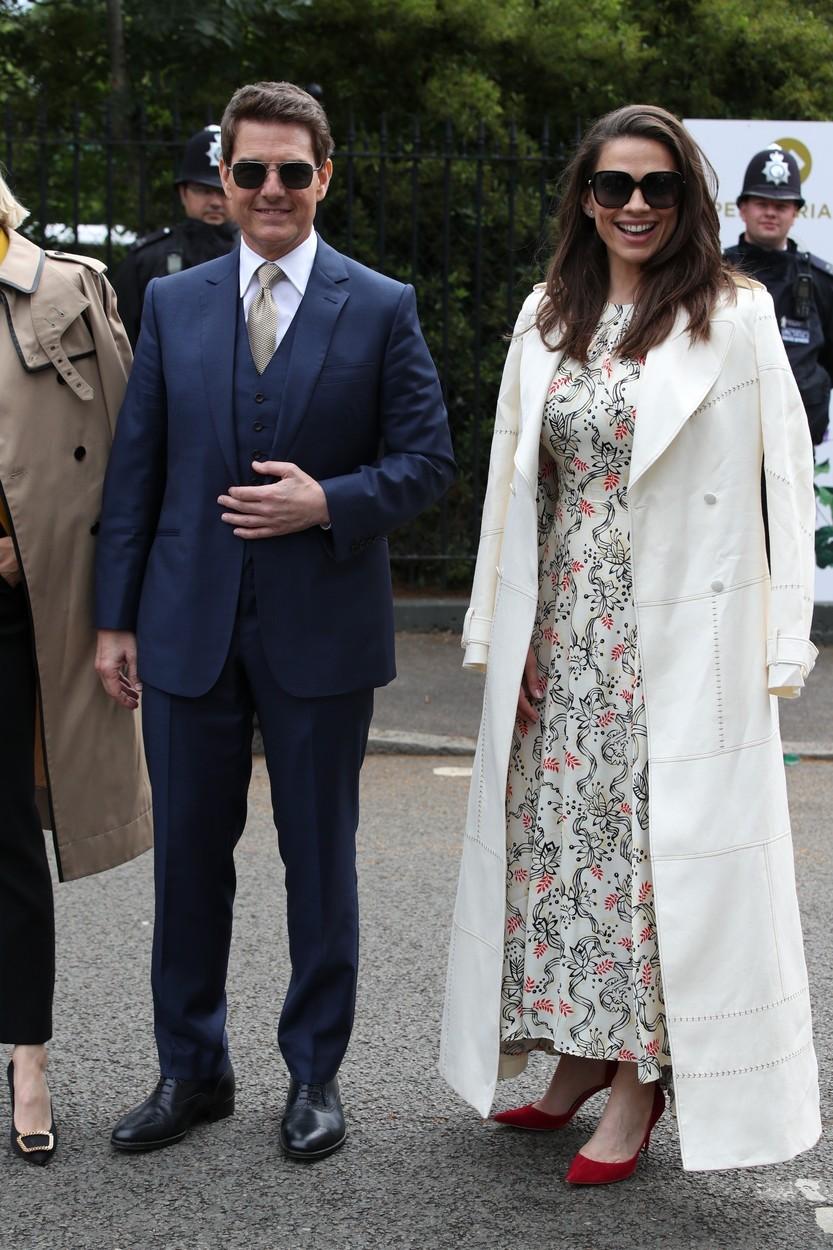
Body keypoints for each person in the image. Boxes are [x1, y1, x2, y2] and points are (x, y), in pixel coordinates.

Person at [440, 104, 820, 1182]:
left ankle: (637, 1085)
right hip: (562, 630)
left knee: (653, 869)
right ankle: (570, 1055)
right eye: (614, 187)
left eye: (657, 187)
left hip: (679, 638)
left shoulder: (731, 313)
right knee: (560, 852)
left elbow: (782, 480)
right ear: (584, 199)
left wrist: (777, 645)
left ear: (688, 199)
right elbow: (513, 486)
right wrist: (498, 631)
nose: (636, 206)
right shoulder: (545, 313)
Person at [95, 80, 455, 1161]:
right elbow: (136, 469)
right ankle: (191, 1069)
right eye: (248, 170)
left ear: (323, 177)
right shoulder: (174, 301)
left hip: (321, 629)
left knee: (318, 858)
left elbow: (428, 461)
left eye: (291, 171)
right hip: (187, 622)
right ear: (225, 177)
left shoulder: (380, 303)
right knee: (188, 861)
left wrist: (328, 501)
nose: (268, 189)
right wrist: (114, 620)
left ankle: (314, 1075)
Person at [0, 172, 152, 1165]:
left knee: (8, 831)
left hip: (22, 604)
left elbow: (134, 454)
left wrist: (121, 611)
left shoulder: (65, 290)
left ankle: (28, 1056)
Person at [725, 144, 833, 445]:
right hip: (726, 448)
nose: (771, 212)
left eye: (782, 205)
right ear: (742, 208)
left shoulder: (822, 282)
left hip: (795, 445)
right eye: (761, 203)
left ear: (796, 212)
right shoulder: (711, 275)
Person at [113, 125, 238, 346]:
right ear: (183, 193)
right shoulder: (146, 259)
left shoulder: (260, 255)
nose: (215, 202)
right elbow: (120, 343)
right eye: (202, 190)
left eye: (223, 191)